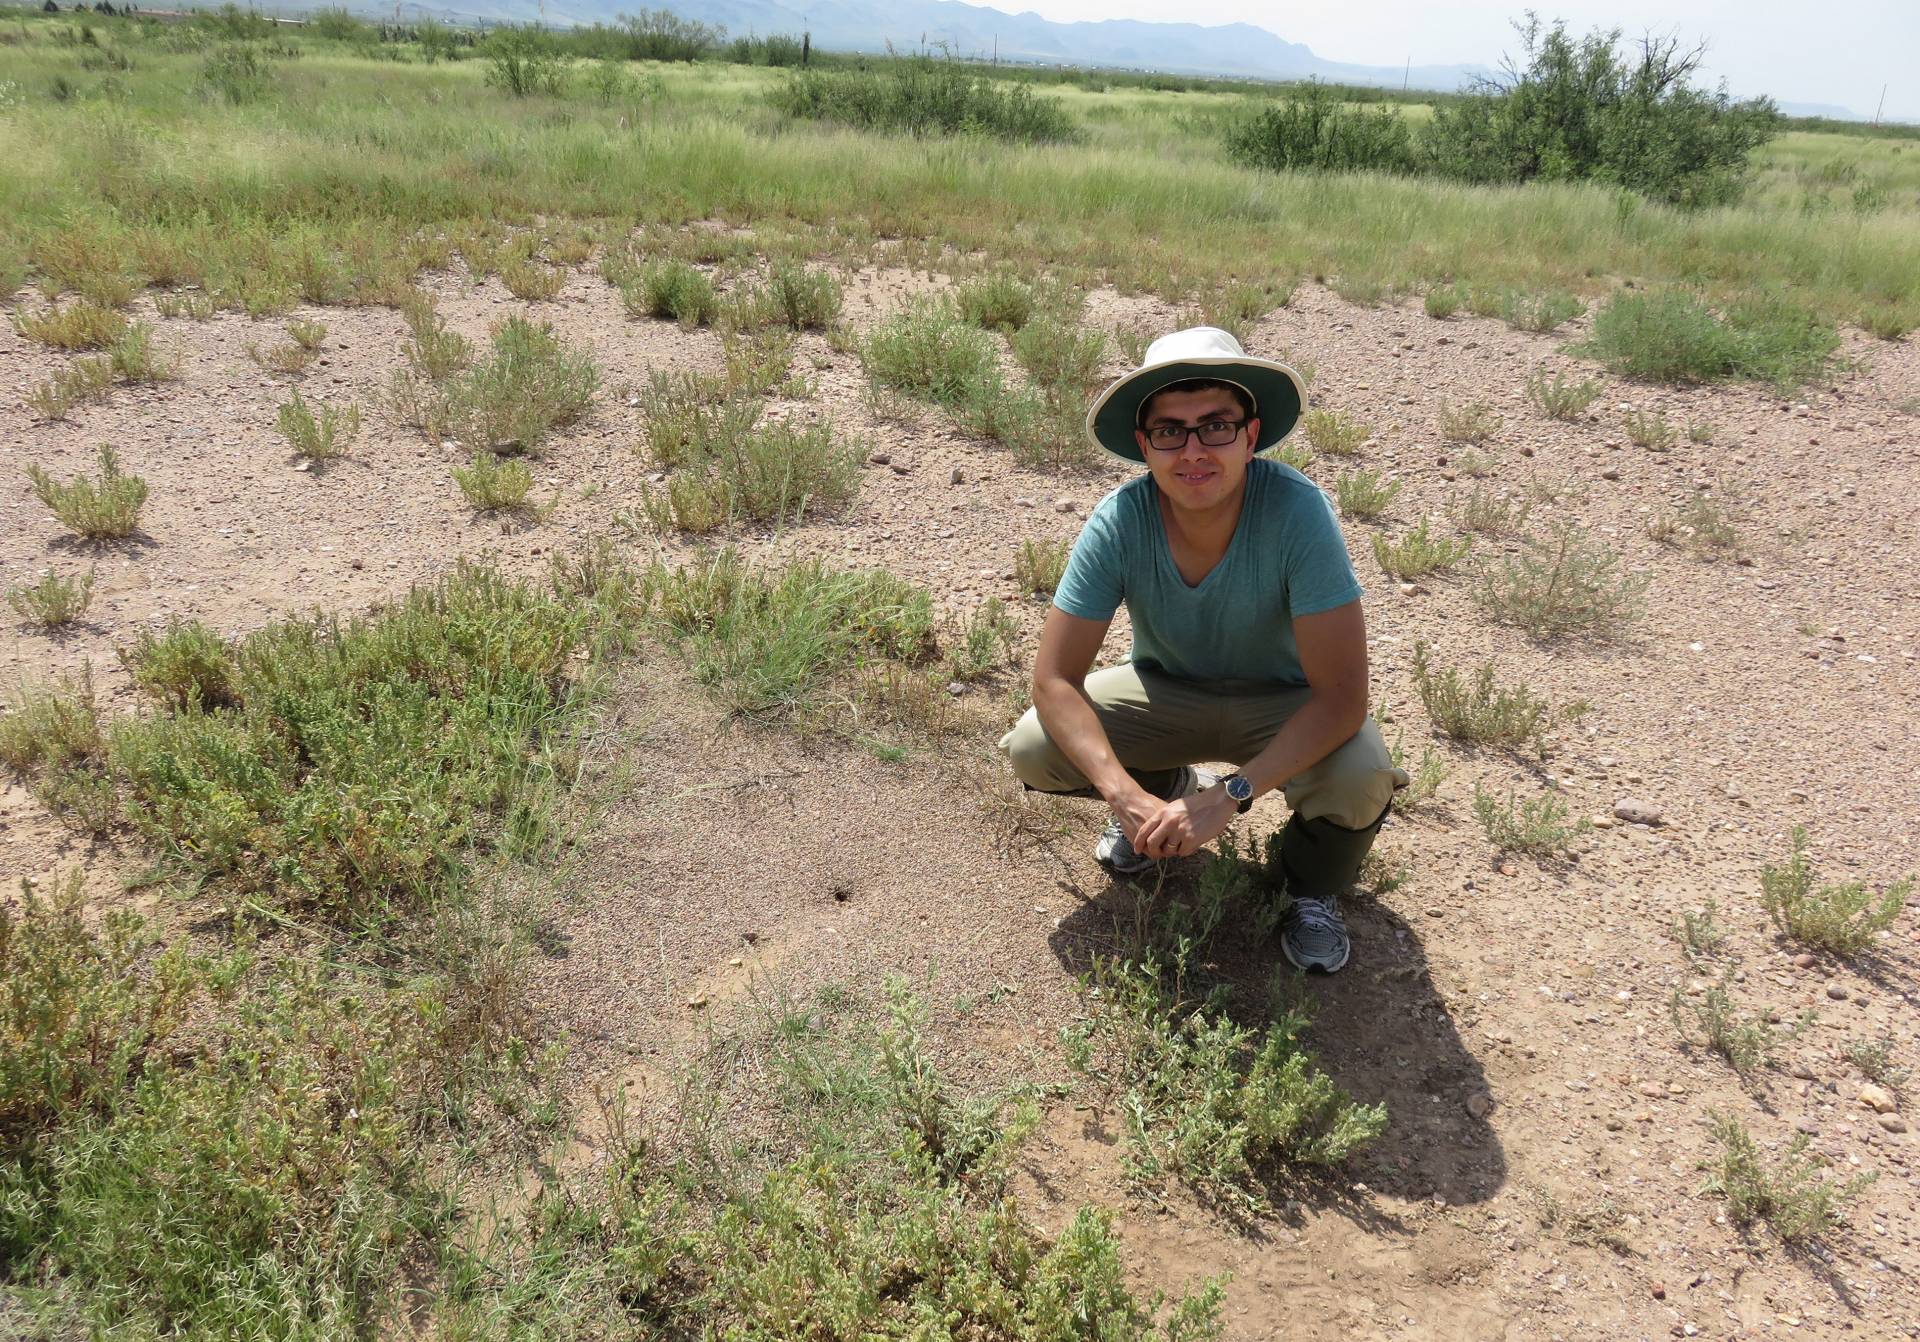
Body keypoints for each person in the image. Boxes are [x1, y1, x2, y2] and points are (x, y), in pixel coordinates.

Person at [1000, 327, 1406, 974]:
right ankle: (1161, 796)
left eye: (1215, 426)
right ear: (1144, 445)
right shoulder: (1120, 520)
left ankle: (1305, 885)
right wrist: (1122, 794)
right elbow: (1053, 680)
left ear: (1251, 435)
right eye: (1170, 430)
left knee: (1360, 777)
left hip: (1287, 702)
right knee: (1035, 746)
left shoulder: (1298, 514)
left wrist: (1231, 796)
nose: (1193, 450)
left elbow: (1341, 698)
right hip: (1168, 690)